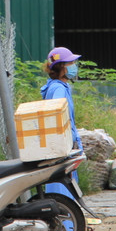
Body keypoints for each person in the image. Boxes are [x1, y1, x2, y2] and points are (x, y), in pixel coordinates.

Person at [41, 46, 81, 199]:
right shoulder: (58, 89)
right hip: (61, 146)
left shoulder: (57, 87)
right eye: (70, 63)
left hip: (60, 144)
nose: (74, 66)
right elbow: (58, 118)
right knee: (62, 187)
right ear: (62, 68)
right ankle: (65, 222)